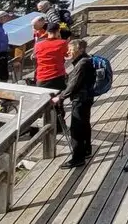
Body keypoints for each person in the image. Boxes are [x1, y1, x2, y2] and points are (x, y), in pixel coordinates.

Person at [53, 38, 95, 169]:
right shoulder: (85, 60)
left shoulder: (82, 64)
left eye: (71, 49)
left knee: (76, 129)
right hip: (87, 97)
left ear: (80, 49)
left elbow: (73, 85)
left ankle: (78, 158)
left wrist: (60, 97)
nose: (69, 52)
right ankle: (87, 149)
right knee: (85, 124)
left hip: (80, 99)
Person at [34, 23, 71, 133]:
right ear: (58, 31)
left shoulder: (38, 44)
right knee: (58, 102)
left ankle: (42, 127)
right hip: (57, 76)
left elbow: (36, 56)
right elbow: (67, 55)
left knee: (43, 104)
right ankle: (59, 127)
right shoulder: (62, 43)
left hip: (41, 77)